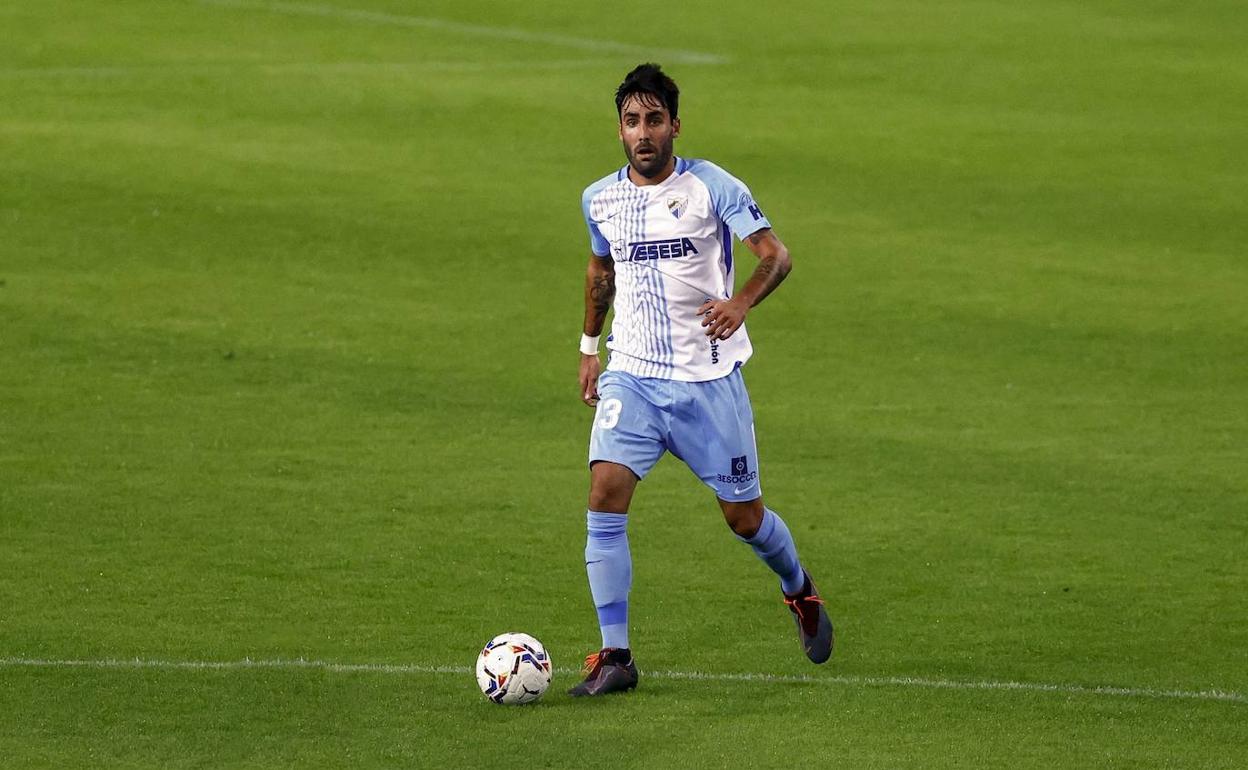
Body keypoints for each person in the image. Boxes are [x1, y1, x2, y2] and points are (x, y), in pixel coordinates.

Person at [570, 63, 833, 697]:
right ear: (620, 130)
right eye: (632, 121)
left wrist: (740, 303)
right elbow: (600, 272)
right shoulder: (599, 199)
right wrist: (588, 346)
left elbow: (777, 256)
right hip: (632, 376)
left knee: (744, 519)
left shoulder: (711, 187)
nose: (643, 133)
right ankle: (616, 656)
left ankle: (798, 588)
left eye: (654, 120)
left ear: (675, 125)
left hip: (706, 383)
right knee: (604, 492)